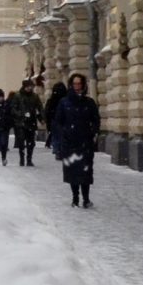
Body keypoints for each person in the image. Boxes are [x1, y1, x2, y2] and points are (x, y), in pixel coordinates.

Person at [48, 71, 101, 208]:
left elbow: (96, 120)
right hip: (70, 143)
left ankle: (86, 198)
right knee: (72, 172)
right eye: (75, 84)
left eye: (79, 83)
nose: (77, 86)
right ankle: (75, 198)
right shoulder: (64, 102)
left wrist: (93, 132)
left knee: (85, 171)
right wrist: (64, 133)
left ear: (83, 85)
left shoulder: (89, 102)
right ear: (71, 85)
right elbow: (58, 121)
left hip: (85, 142)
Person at [14, 79, 44, 166]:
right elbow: (13, 109)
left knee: (31, 143)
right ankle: (22, 159)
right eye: (28, 86)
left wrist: (41, 118)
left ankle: (29, 159)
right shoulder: (18, 96)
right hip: (21, 123)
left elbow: (39, 108)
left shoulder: (34, 97)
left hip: (31, 122)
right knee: (21, 142)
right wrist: (22, 114)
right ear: (24, 87)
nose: (30, 88)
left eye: (31, 86)